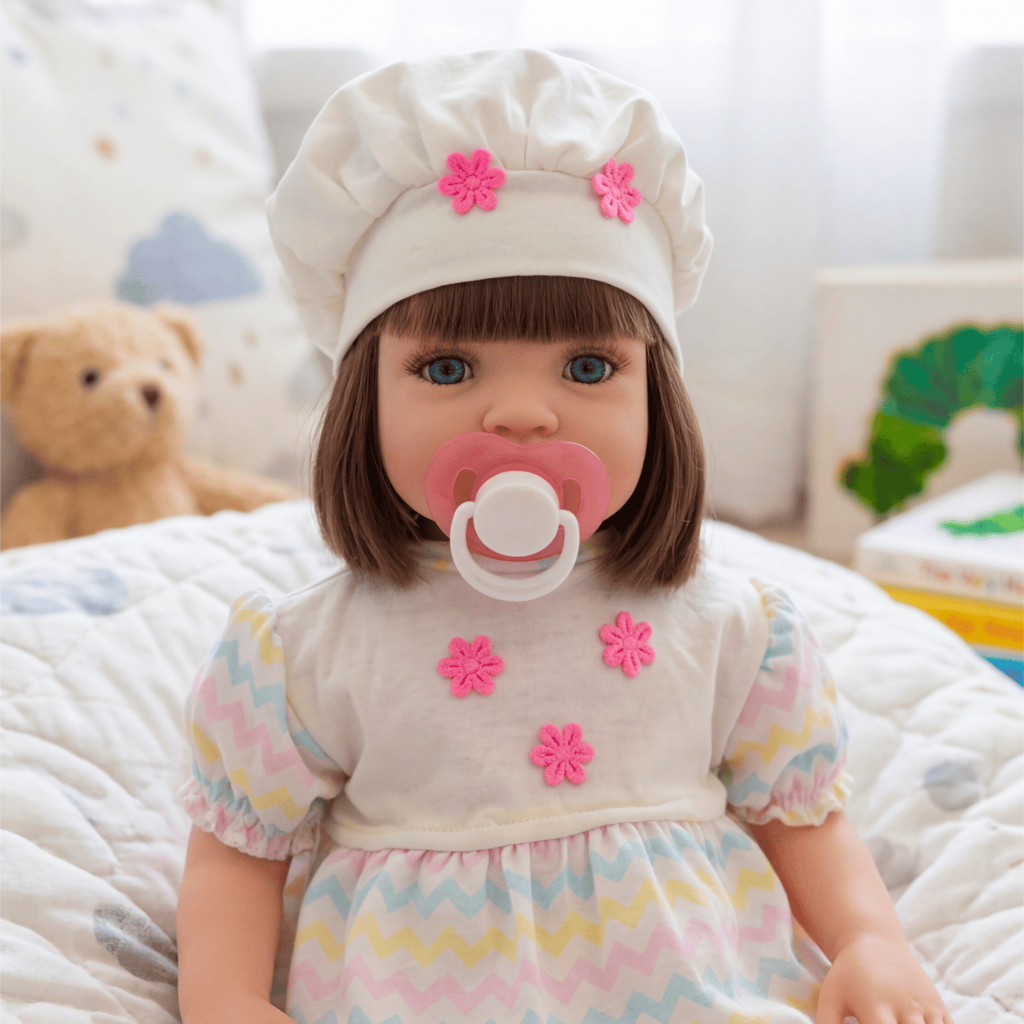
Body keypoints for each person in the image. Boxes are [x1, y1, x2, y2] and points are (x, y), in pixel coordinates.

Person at [175, 49, 953, 1024]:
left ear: (657, 398)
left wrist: (871, 943)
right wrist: (224, 997)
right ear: (362, 402)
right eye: (448, 369)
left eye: (587, 368)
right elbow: (237, 852)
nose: (521, 414)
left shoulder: (731, 627)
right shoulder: (304, 650)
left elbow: (802, 819)